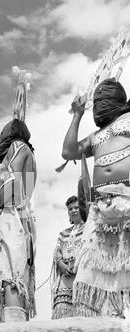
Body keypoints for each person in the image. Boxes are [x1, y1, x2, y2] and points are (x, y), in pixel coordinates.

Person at [62, 78, 130, 318]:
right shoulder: (95, 136)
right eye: (96, 101)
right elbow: (68, 151)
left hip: (128, 200)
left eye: (103, 99)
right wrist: (77, 115)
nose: (99, 105)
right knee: (90, 269)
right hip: (100, 207)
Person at [0, 118, 37, 323]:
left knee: (10, 272)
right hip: (21, 215)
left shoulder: (17, 146)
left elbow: (12, 179)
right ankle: (13, 324)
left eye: (3, 130)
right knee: (13, 270)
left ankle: (13, 329)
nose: (0, 134)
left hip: (12, 214)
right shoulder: (26, 150)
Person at [51, 196, 85, 319]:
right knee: (61, 309)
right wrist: (61, 265)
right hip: (65, 276)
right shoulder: (63, 233)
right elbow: (57, 252)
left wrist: (77, 266)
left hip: (82, 275)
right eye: (70, 209)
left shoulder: (88, 229)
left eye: (76, 207)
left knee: (82, 310)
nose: (74, 210)